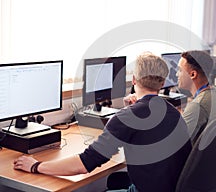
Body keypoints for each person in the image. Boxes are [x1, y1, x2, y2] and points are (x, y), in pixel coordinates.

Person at [13, 52, 192, 192]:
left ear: (134, 80)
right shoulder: (172, 111)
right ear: (161, 83)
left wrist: (36, 166)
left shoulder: (129, 116)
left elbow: (83, 165)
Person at [176, 50, 216, 145]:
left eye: (180, 70)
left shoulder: (197, 106)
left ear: (193, 74)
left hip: (195, 159)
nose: (177, 74)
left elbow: (175, 143)